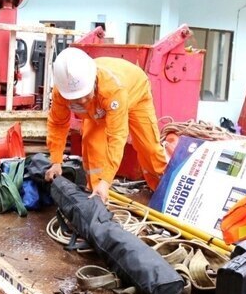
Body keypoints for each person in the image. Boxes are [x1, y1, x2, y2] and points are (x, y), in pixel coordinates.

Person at [45, 47, 168, 203]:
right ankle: (97, 196)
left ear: (93, 79)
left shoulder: (113, 89)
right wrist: (56, 161)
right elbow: (57, 124)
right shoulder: (61, 92)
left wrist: (107, 179)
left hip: (135, 93)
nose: (82, 101)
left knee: (149, 147)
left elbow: (116, 137)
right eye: (76, 98)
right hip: (99, 108)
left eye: (85, 95)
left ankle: (162, 189)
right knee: (91, 143)